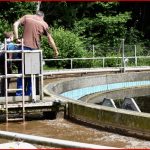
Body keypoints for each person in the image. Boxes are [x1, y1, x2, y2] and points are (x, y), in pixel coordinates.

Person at [13, 10, 59, 96]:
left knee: (21, 72)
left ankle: (19, 95)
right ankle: (29, 95)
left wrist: (16, 38)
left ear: (36, 14)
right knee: (32, 74)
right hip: (34, 50)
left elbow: (15, 24)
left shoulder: (27, 17)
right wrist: (55, 50)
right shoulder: (44, 24)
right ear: (42, 16)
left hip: (23, 48)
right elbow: (50, 39)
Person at [0, 31, 16, 96]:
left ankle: (3, 93)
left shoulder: (3, 43)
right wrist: (10, 65)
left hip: (1, 63)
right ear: (10, 37)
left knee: (3, 78)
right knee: (7, 78)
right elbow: (10, 56)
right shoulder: (11, 44)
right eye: (13, 36)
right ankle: (5, 94)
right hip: (6, 64)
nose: (13, 38)